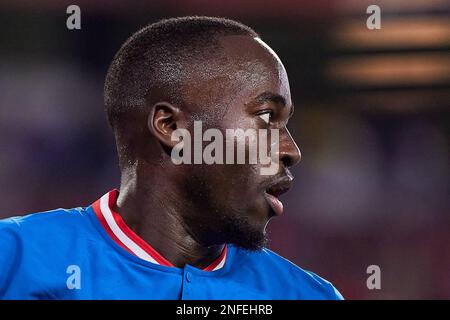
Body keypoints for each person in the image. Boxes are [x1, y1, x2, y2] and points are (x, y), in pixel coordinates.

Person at [0, 16, 342, 299]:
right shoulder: (13, 260)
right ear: (172, 127)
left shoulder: (307, 295)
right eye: (267, 117)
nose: (291, 151)